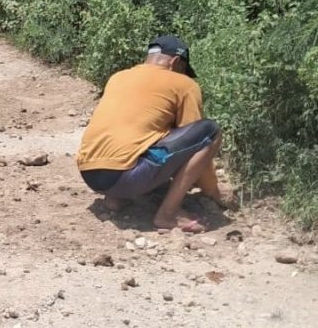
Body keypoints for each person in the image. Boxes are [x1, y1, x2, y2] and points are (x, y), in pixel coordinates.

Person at [76, 35, 232, 232]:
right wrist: (212, 191)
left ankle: (115, 199)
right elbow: (196, 138)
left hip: (90, 175)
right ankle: (167, 215)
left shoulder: (118, 77)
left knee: (138, 141)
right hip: (126, 178)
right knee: (210, 131)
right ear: (175, 62)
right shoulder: (184, 84)